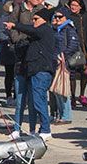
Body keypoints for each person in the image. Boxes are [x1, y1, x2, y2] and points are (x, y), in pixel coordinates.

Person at [9, 7, 57, 139]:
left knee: (38, 101)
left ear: (44, 20)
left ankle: (45, 129)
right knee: (37, 101)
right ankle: (42, 129)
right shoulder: (38, 34)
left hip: (41, 71)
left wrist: (15, 25)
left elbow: (30, 30)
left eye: (36, 19)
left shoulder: (44, 30)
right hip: (34, 71)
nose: (33, 21)